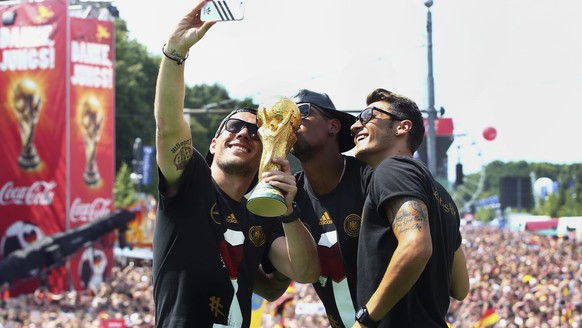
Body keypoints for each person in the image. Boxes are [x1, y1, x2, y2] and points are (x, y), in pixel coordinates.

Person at [152, 1, 320, 327]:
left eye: (256, 132)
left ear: (264, 150)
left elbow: (303, 273)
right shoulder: (191, 182)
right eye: (233, 126)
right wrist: (174, 53)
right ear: (213, 144)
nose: (244, 133)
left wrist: (288, 211)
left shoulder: (264, 211)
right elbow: (168, 127)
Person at [349, 88, 469, 327]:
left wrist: (366, 318)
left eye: (367, 115)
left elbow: (416, 246)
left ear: (402, 127)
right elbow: (461, 287)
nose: (354, 126)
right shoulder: (443, 196)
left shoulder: (392, 169)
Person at [255, 89, 372, 328]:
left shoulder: (370, 179)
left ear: (333, 126)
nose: (292, 121)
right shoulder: (286, 195)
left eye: (301, 112)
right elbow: (274, 284)